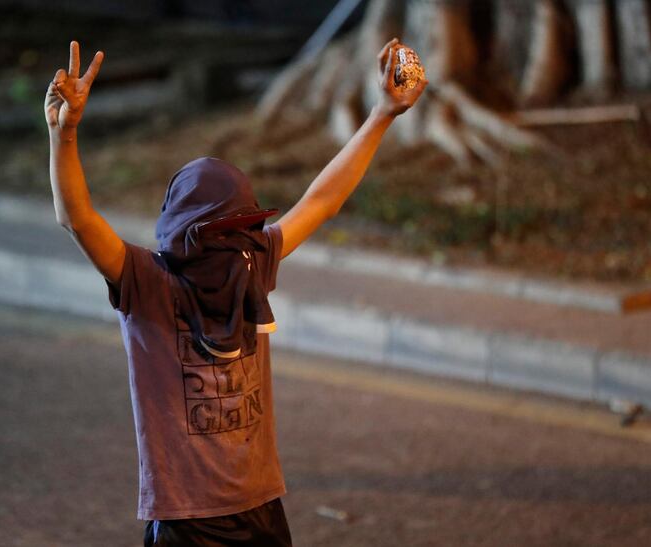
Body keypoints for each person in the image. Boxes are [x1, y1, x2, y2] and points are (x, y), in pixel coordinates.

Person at [44, 37, 426, 547]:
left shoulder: (251, 265)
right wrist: (65, 135)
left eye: (243, 229)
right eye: (221, 232)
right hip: (186, 519)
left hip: (261, 507)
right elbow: (77, 218)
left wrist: (382, 113)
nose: (236, 244)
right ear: (186, 237)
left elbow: (322, 200)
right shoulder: (149, 284)